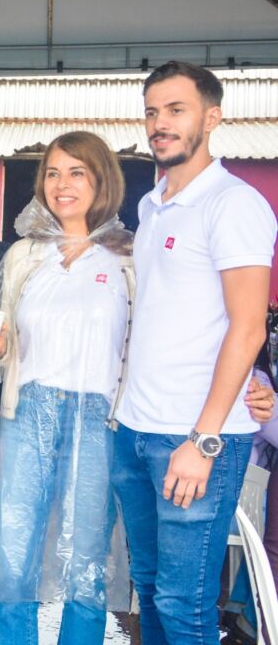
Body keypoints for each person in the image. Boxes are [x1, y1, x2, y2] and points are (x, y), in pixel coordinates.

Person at [111, 61, 277, 644]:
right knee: (152, 592)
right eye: (152, 111)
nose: (160, 123)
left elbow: (249, 326)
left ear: (212, 117)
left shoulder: (233, 204)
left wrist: (203, 441)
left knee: (185, 609)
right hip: (135, 430)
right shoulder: (152, 207)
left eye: (175, 110)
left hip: (196, 438)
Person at [0, 131, 136, 644]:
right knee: (16, 552)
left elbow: (155, 342)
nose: (63, 185)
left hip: (98, 417)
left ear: (102, 180)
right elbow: (3, 340)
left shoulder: (128, 259)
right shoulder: (23, 256)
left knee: (86, 557)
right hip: (27, 412)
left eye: (77, 172)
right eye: (54, 173)